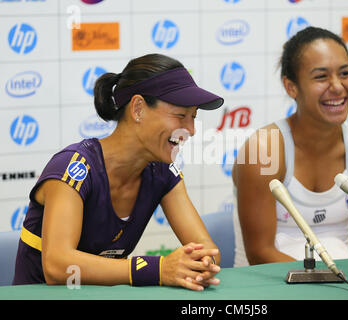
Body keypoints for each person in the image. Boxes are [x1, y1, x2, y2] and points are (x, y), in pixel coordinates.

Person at [13, 53, 224, 291]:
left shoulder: (164, 173)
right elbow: (58, 266)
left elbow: (207, 250)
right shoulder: (73, 168)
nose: (191, 130)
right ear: (138, 108)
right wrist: (157, 269)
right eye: (181, 116)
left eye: (194, 117)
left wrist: (202, 264)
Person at [232, 27, 348, 267]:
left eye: (345, 73)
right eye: (321, 77)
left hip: (342, 282)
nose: (338, 86)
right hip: (269, 284)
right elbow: (261, 254)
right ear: (291, 87)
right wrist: (333, 283)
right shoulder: (262, 150)